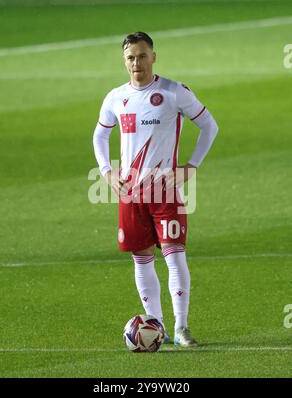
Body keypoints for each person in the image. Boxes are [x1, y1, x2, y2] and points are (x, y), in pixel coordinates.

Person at [93, 32, 218, 347]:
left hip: (165, 193)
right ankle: (156, 325)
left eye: (142, 55)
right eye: (131, 57)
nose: (137, 63)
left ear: (153, 56)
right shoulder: (115, 98)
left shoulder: (174, 92)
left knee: (174, 257)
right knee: (142, 258)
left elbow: (209, 126)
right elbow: (99, 136)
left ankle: (182, 328)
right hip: (130, 194)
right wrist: (107, 172)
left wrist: (191, 167)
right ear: (125, 60)